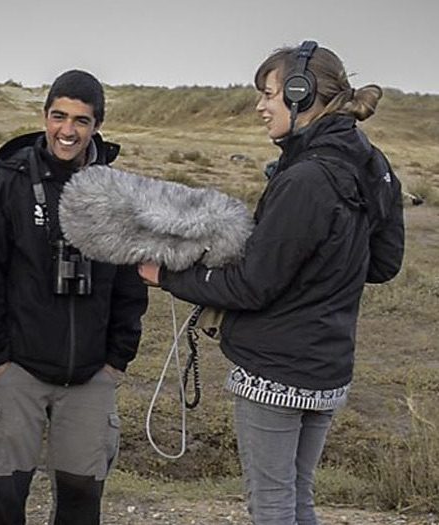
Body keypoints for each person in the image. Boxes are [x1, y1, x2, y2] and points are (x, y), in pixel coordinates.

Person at [139, 41, 404, 524]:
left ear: (301, 95)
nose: (260, 108)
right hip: (326, 368)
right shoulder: (373, 164)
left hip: (276, 374)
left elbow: (250, 286)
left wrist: (167, 275)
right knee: (296, 497)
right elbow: (383, 262)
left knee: (272, 503)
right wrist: (318, 268)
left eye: (269, 94)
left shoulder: (306, 178)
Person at [0, 69, 148, 525]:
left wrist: (116, 362)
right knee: (6, 498)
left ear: (97, 125)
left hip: (90, 376)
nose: (68, 130)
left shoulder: (117, 194)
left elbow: (130, 284)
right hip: (18, 371)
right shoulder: (8, 184)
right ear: (44, 117)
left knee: (82, 501)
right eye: (59, 116)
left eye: (81, 121)